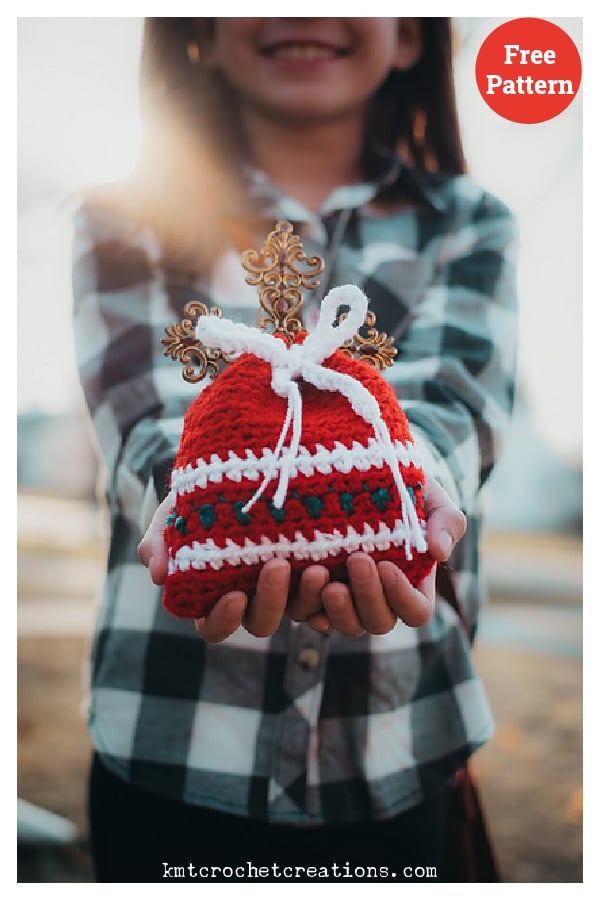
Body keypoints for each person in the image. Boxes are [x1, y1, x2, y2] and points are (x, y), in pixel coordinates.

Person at [72, 17, 518, 883]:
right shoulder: (125, 217)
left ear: (413, 36)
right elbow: (138, 404)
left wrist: (408, 493)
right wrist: (192, 503)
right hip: (168, 746)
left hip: (396, 749)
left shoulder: (470, 222)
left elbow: (453, 399)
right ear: (199, 27)